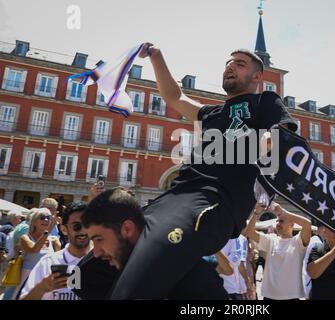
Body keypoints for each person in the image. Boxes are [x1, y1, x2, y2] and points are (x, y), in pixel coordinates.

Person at [81, 43, 298, 299]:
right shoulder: (211, 113)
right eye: (228, 63)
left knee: (142, 273)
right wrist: (157, 56)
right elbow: (175, 97)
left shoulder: (264, 102)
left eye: (240, 64)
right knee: (88, 274)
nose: (230, 67)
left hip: (213, 200)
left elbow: (282, 136)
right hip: (174, 197)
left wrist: (257, 144)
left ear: (257, 76)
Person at [82, 187, 229, 299]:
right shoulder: (102, 271)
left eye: (99, 239)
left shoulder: (193, 278)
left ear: (127, 228)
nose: (96, 252)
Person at [20, 202, 92, 300]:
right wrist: (42, 287)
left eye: (87, 225)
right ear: (64, 229)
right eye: (76, 226)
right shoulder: (48, 262)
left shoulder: (103, 261)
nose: (83, 231)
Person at [245, 201, 311, 300]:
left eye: (281, 221)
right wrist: (256, 213)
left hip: (291, 296)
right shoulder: (271, 240)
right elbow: (249, 232)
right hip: (269, 296)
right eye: (277, 221)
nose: (277, 223)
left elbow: (307, 224)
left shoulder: (298, 241)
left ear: (291, 224)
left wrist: (282, 212)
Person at [13, 208, 61, 299]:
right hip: (27, 279)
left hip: (47, 279)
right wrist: (50, 229)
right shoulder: (25, 238)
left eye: (48, 217)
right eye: (42, 217)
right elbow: (35, 249)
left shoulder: (54, 240)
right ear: (34, 222)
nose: (46, 220)